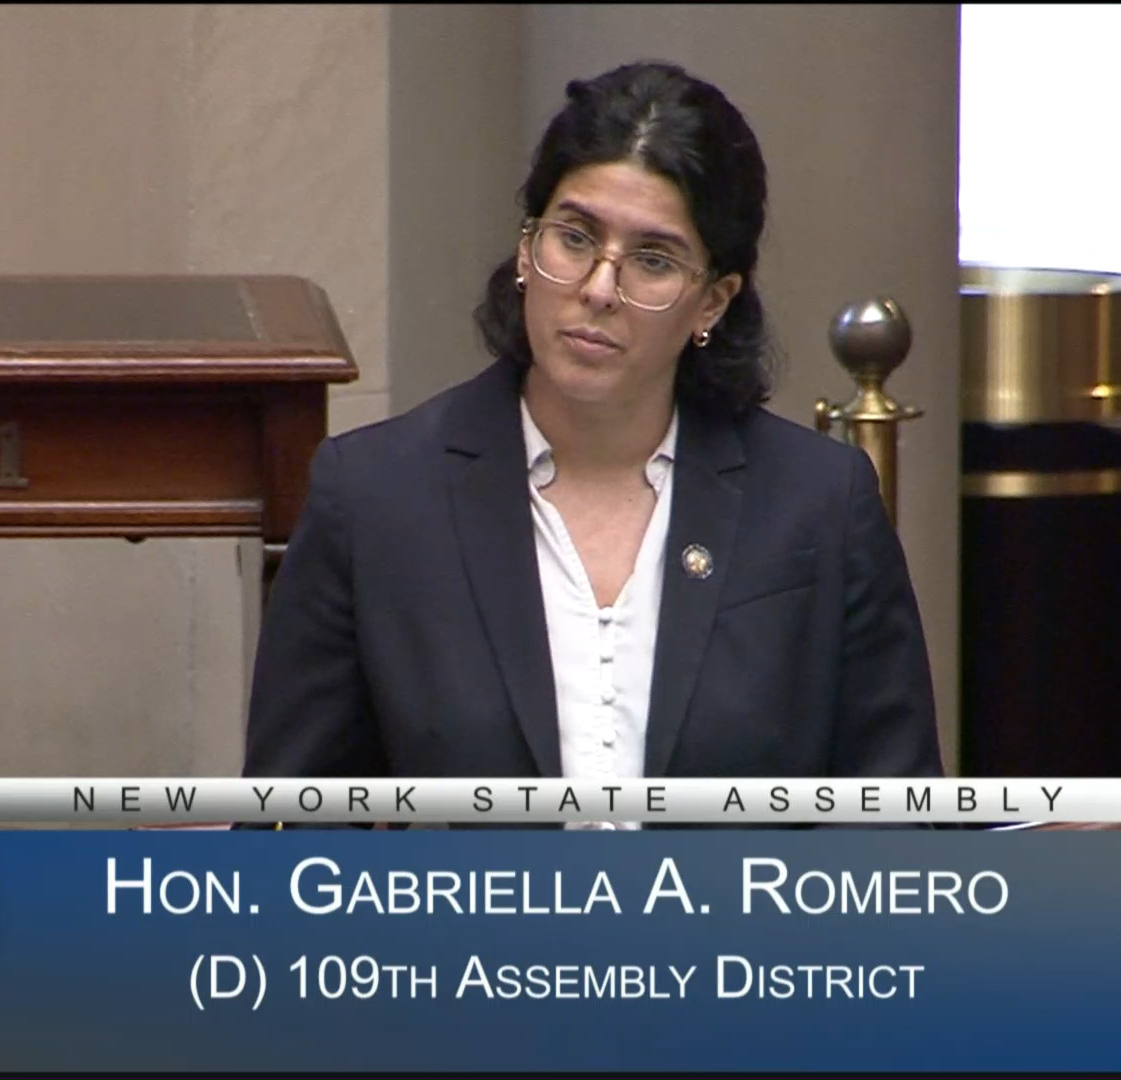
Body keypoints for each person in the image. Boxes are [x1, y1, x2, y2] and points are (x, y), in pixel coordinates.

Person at [242, 61, 940, 822]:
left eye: (651, 259)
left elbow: (898, 833)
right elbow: (291, 836)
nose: (599, 289)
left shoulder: (817, 504)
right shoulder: (377, 495)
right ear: (525, 250)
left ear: (713, 300)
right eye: (574, 238)